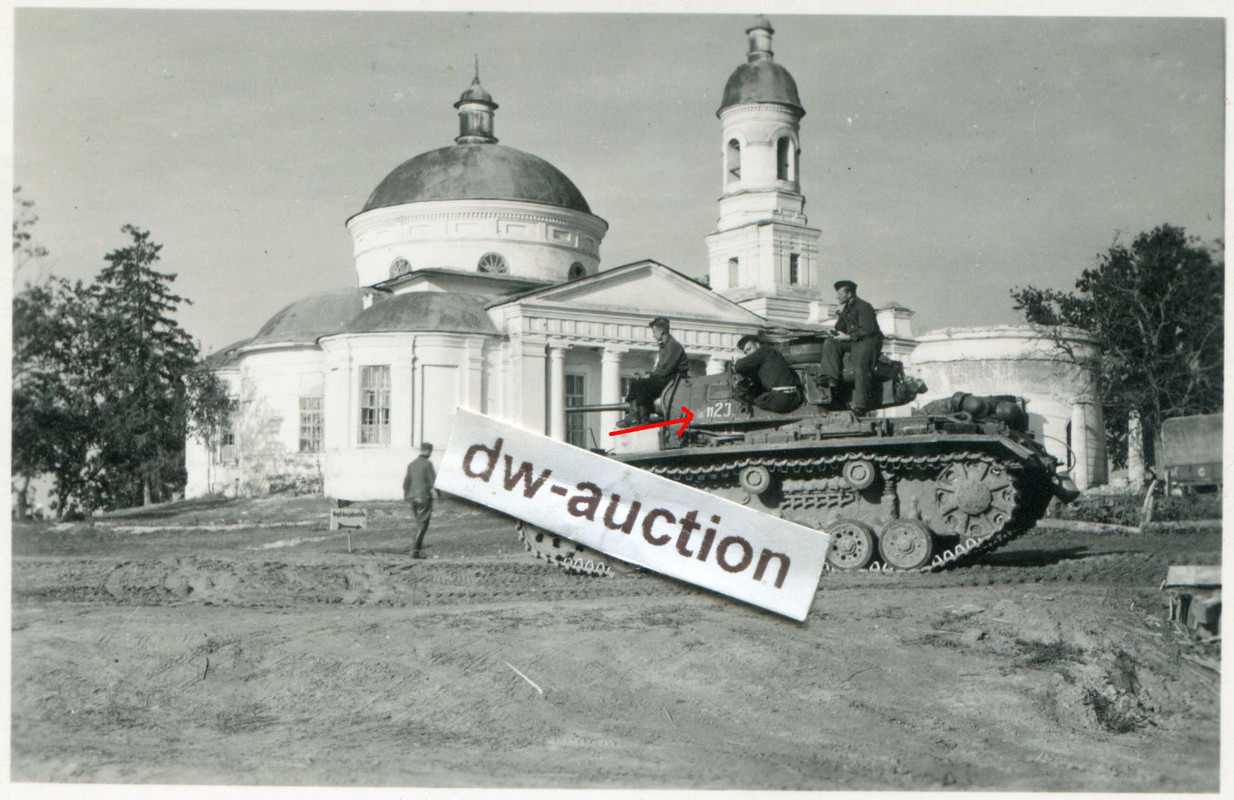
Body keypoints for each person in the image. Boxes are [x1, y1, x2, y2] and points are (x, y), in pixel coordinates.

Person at [818, 280, 884, 415]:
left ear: (849, 294)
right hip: (854, 341)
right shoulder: (846, 310)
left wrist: (848, 337)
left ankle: (860, 405)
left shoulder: (864, 307)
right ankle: (832, 378)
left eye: (840, 294)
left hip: (868, 342)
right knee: (830, 343)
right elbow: (840, 327)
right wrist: (833, 331)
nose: (837, 297)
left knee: (859, 365)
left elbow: (868, 330)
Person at [621, 316, 688, 426]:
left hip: (673, 381)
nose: (653, 335)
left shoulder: (673, 346)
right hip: (666, 379)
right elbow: (660, 369)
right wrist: (647, 375)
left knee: (642, 384)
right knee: (636, 382)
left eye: (654, 331)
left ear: (661, 331)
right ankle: (633, 415)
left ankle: (643, 420)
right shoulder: (665, 346)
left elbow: (665, 370)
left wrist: (649, 375)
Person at [733, 334, 803, 413]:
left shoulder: (763, 351)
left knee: (753, 401)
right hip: (795, 398)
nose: (748, 354)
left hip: (782, 399)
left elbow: (738, 366)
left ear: (757, 344)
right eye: (745, 352)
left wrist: (736, 361)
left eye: (749, 349)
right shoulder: (772, 353)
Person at [402, 442, 437, 559]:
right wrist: (439, 495)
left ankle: (416, 550)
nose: (431, 454)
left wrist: (407, 497)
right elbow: (433, 483)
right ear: (427, 451)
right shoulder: (428, 464)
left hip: (412, 498)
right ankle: (415, 551)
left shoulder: (411, 465)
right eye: (430, 451)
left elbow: (405, 484)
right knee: (422, 525)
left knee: (419, 523)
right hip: (424, 498)